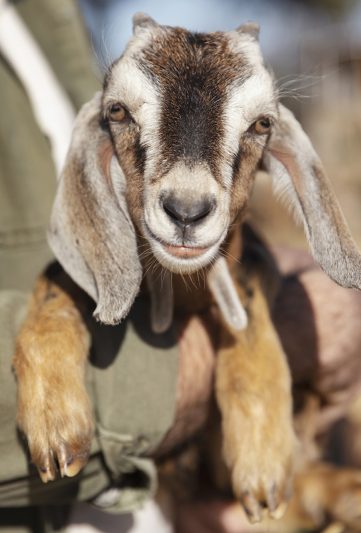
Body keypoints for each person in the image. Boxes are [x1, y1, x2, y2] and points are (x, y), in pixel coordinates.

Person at [1, 1, 361, 532]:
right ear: (98, 140)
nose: (188, 195)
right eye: (121, 112)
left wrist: (255, 355)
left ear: (278, 148)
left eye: (258, 124)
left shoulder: (47, 18)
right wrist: (52, 329)